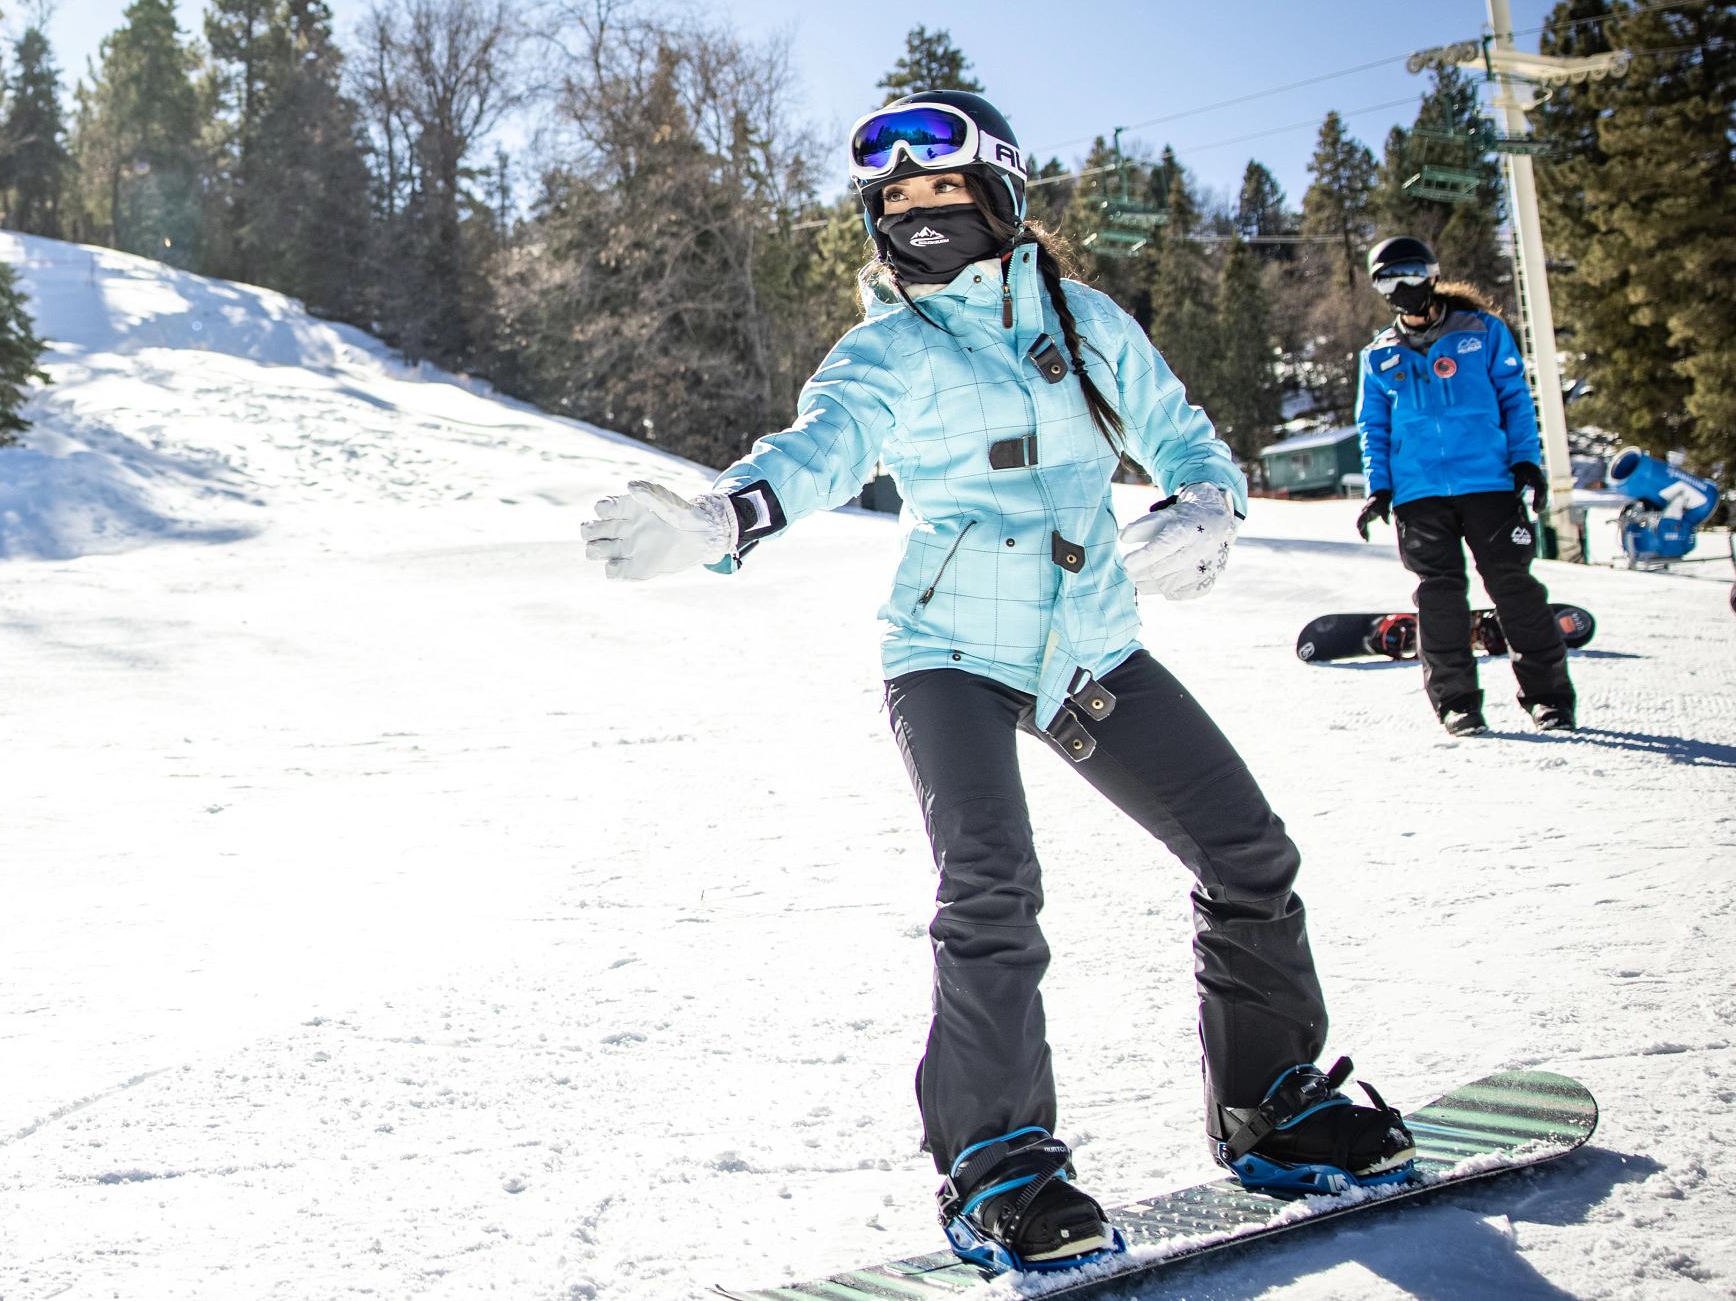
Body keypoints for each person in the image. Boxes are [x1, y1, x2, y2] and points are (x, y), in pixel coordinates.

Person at [579, 91, 1413, 1275]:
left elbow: (1178, 432)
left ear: (1001, 200)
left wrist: (1207, 503)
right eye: (898, 202)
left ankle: (1271, 1105)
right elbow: (821, 450)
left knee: (1247, 854)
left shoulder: (1078, 318)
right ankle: (999, 1166)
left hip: (1086, 642)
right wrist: (726, 515)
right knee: (991, 888)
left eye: (944, 193)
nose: (922, 218)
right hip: (951, 651)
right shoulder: (885, 350)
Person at [1352, 235, 1576, 735]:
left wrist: (1526, 462)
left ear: (1432, 275)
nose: (1402, 287)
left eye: (1410, 275)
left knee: (1514, 589)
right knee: (1440, 596)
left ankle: (1549, 698)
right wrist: (1379, 488)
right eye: (1389, 279)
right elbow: (1374, 428)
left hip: (1488, 484)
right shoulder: (1378, 356)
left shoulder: (1483, 331)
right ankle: (1457, 703)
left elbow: (1516, 399)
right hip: (1419, 492)